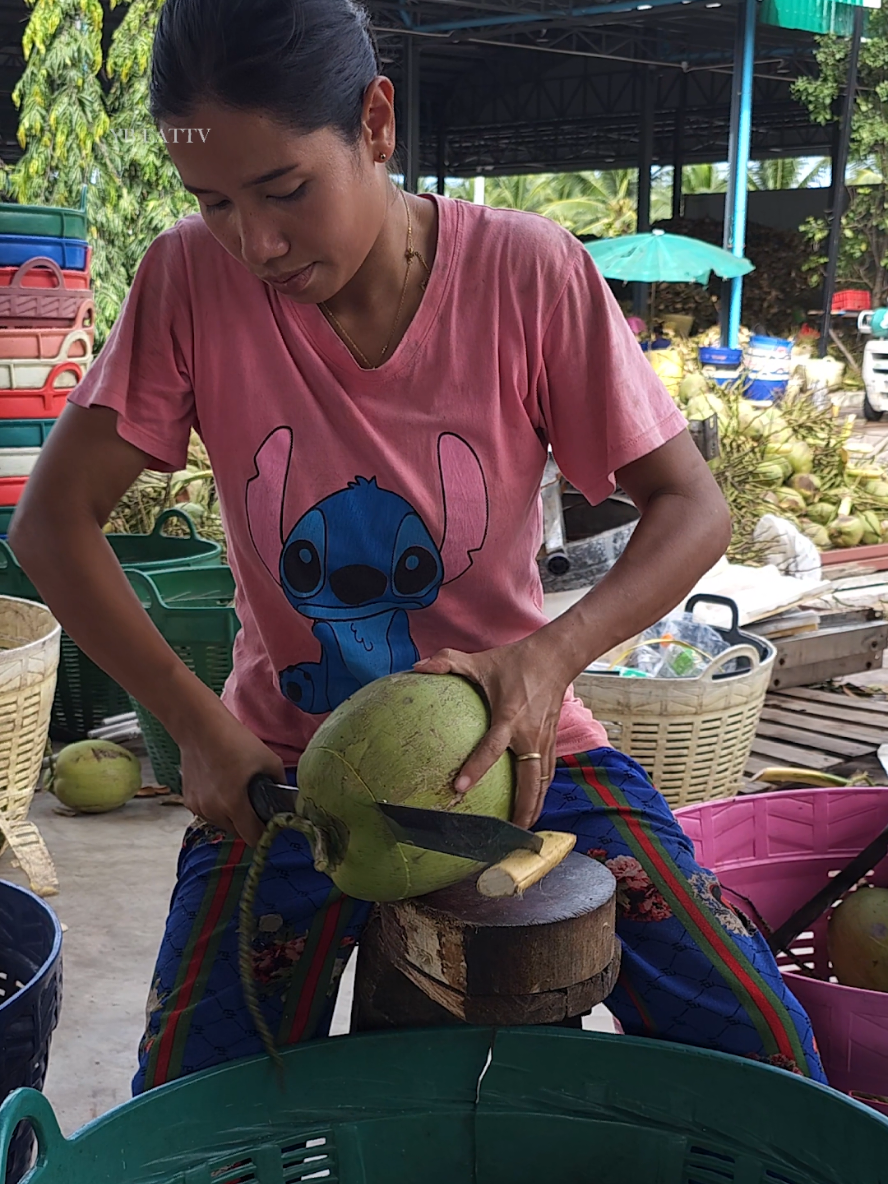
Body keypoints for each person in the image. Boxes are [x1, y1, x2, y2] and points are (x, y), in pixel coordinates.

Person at [11, 0, 826, 1093]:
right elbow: (51, 523)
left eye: (286, 189)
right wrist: (195, 725)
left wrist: (547, 659)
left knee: (766, 1051)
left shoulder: (528, 273)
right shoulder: (187, 282)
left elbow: (692, 507)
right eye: (214, 202)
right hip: (280, 771)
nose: (255, 243)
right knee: (190, 1107)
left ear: (377, 124)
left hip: (519, 750)